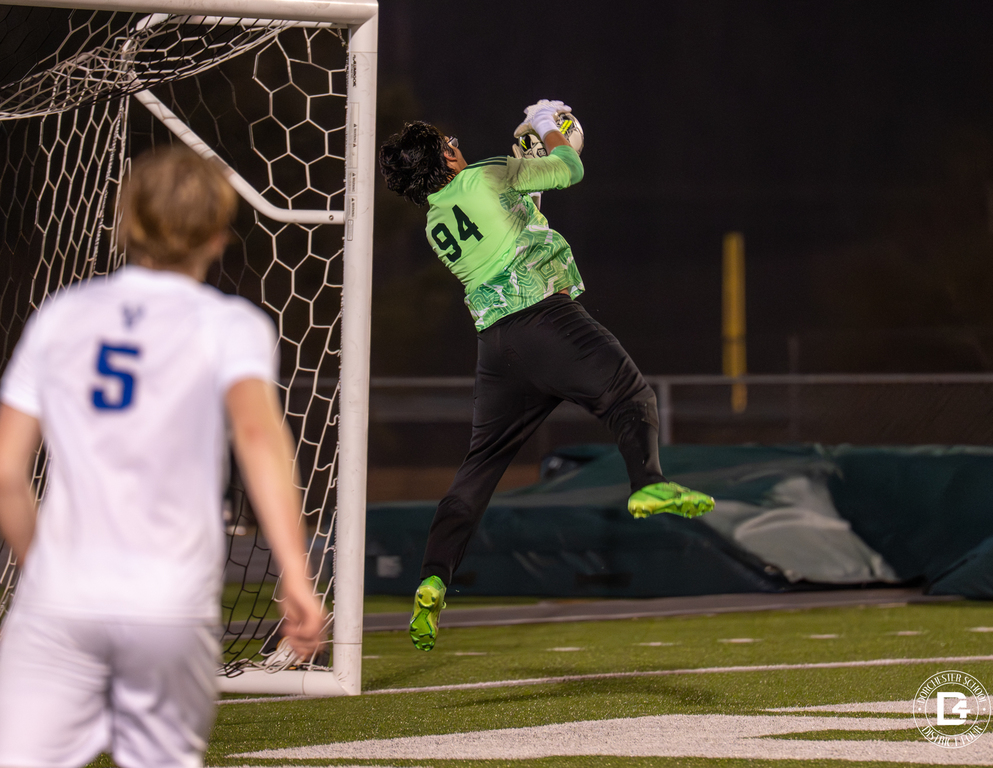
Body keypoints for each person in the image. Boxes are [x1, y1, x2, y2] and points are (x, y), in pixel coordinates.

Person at [0, 145, 326, 767]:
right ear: (218, 235)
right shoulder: (231, 325)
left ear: (126, 222)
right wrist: (295, 573)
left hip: (60, 598)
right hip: (169, 602)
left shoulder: (61, 316)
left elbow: (5, 471)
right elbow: (259, 439)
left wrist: (40, 567)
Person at [378, 99, 715, 652]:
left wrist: (527, 189)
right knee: (631, 395)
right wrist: (544, 128)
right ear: (446, 156)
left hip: (497, 348)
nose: (457, 145)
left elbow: (509, 226)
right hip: (545, 322)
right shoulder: (488, 173)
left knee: (480, 468)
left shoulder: (437, 220)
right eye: (450, 142)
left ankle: (434, 575)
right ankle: (649, 484)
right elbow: (570, 169)